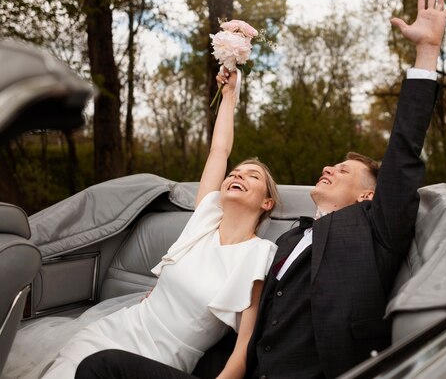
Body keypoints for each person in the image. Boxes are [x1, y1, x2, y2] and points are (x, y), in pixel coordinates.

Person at [76, 0, 446, 379]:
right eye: (332, 165)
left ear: (367, 195)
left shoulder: (374, 230)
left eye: (343, 170)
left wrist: (426, 52)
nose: (328, 168)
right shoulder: (287, 240)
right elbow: (245, 320)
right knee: (101, 366)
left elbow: (403, 152)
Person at [36, 67, 281, 379]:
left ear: (266, 202)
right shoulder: (204, 220)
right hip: (118, 329)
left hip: (161, 359)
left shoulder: (258, 255)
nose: (237, 175)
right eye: (236, 172)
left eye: (253, 176)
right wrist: (230, 94)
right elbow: (220, 150)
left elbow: (244, 345)